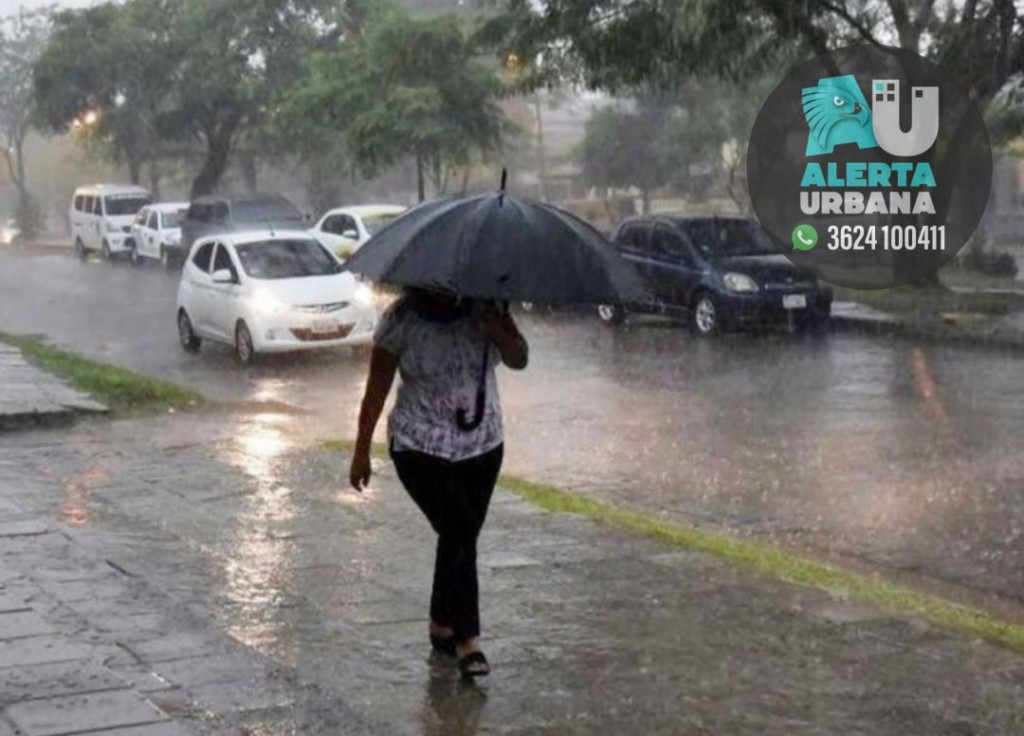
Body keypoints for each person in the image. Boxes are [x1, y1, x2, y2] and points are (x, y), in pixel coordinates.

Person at [349, 287, 529, 678]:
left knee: (458, 537)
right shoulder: (400, 321)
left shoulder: (484, 308)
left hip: (483, 446)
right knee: (459, 527)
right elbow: (376, 389)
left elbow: (519, 359)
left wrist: (497, 326)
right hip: (419, 448)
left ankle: (440, 623)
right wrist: (361, 449)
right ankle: (468, 641)